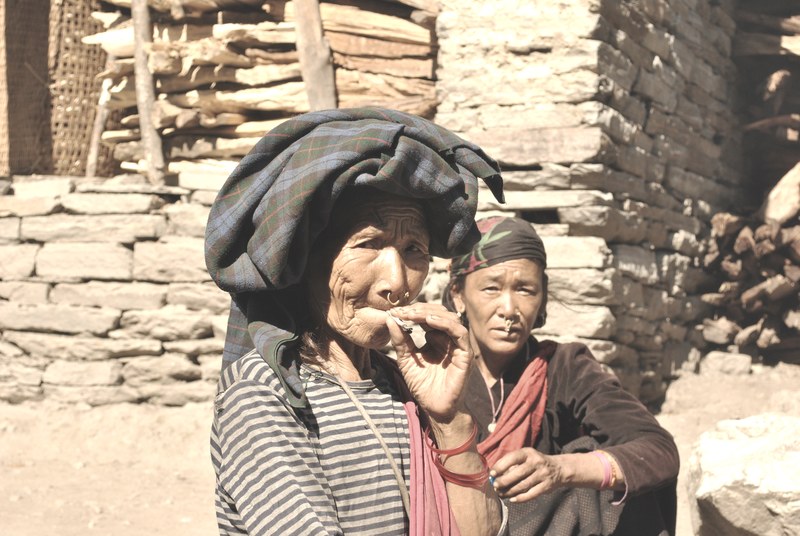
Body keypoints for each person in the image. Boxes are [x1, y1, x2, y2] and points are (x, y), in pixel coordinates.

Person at [204, 108, 509, 535]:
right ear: (306, 259)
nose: (397, 282)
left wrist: (449, 420)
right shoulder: (264, 393)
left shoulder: (402, 384)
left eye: (414, 250)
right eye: (369, 244)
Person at [441, 216, 680, 536]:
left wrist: (562, 469)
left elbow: (658, 450)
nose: (509, 309)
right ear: (459, 295)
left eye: (525, 290)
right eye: (491, 288)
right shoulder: (432, 373)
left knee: (600, 467)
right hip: (448, 523)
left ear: (543, 297)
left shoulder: (565, 367)